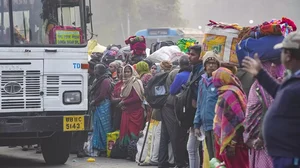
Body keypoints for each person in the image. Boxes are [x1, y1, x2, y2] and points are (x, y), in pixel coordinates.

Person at [242, 31, 300, 168]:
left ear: (288, 55)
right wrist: (260, 74)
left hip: (292, 155)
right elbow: (279, 93)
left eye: (282, 52)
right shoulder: (293, 79)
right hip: (284, 154)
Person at [243, 61, 284, 168]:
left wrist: (260, 137)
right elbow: (251, 112)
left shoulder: (274, 86)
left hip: (266, 141)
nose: (273, 66)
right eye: (269, 63)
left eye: (276, 63)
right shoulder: (257, 85)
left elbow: (269, 111)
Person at [212, 67, 249, 168]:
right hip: (238, 141)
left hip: (233, 143)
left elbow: (238, 120)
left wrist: (232, 143)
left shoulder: (228, 94)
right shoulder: (235, 90)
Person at [158, 56, 190, 168]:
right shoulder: (187, 74)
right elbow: (174, 91)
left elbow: (172, 90)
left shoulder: (178, 74)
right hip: (177, 108)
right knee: (177, 136)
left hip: (170, 107)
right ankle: (180, 162)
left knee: (168, 135)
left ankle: (165, 161)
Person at [192, 51, 221, 167]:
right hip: (206, 124)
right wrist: (196, 124)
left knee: (218, 155)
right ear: (204, 66)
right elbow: (200, 103)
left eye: (214, 63)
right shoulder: (202, 82)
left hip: (217, 125)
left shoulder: (220, 80)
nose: (211, 66)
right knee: (211, 155)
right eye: (208, 63)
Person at [90, 64, 113, 155]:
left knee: (104, 127)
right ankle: (98, 147)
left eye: (96, 69)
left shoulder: (105, 80)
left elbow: (102, 95)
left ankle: (104, 147)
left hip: (103, 105)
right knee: (97, 126)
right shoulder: (98, 80)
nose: (95, 71)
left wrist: (94, 101)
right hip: (98, 105)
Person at [119, 65, 145, 146]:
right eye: (125, 72)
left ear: (132, 72)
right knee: (126, 130)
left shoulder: (135, 82)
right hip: (126, 111)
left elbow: (137, 98)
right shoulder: (125, 82)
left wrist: (124, 102)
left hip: (135, 112)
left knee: (133, 131)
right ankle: (126, 150)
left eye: (128, 72)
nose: (126, 74)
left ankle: (133, 149)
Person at [111, 67, 124, 131]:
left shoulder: (127, 83)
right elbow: (113, 95)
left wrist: (119, 100)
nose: (120, 74)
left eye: (122, 72)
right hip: (116, 108)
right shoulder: (117, 84)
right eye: (118, 72)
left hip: (124, 108)